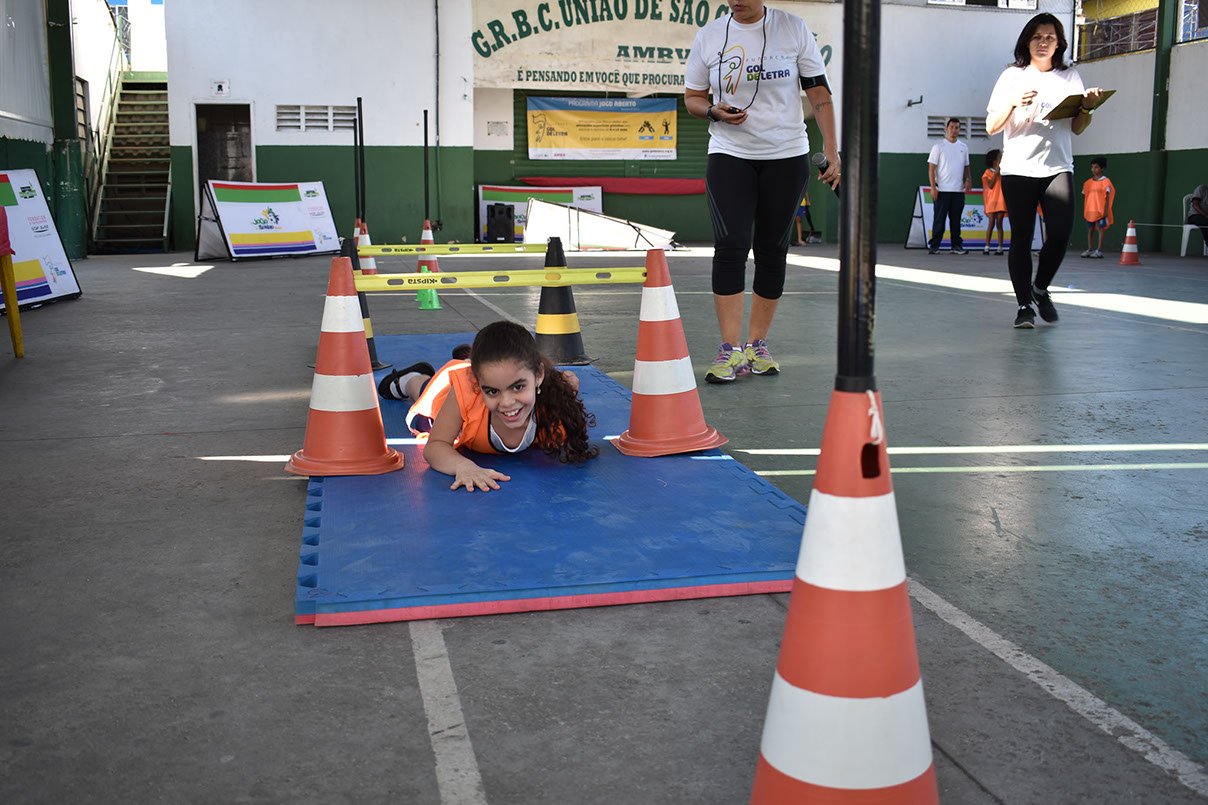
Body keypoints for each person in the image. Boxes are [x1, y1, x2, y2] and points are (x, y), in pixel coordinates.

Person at [684, 0, 840, 383]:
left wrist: (832, 150)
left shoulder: (793, 28)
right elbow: (692, 98)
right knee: (731, 244)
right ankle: (729, 349)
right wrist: (712, 111)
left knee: (772, 248)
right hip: (729, 152)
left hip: (786, 154)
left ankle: (757, 345)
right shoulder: (709, 36)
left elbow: (819, 94)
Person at [376, 322, 598, 492]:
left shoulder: (556, 399)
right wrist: (463, 466)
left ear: (539, 375)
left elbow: (566, 386)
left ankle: (469, 359)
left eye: (518, 387)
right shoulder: (466, 391)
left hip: (485, 374)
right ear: (479, 384)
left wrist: (569, 385)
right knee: (423, 414)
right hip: (450, 392)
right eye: (492, 391)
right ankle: (412, 378)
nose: (507, 402)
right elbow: (435, 446)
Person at [986, 13, 1104, 329]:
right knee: (1022, 238)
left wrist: (1088, 108)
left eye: (1050, 37)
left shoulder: (1070, 76)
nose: (1043, 42)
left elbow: (1078, 127)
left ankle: (1039, 288)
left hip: (1057, 167)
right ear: (1027, 41)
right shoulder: (1011, 76)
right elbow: (991, 126)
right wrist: (1012, 102)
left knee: (1061, 233)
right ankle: (1024, 305)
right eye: (1037, 36)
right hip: (1018, 168)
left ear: (1059, 43)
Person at [927, 118, 972, 255]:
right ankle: (934, 246)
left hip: (958, 191)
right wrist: (933, 187)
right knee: (939, 220)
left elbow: (966, 166)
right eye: (951, 127)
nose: (954, 130)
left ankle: (956, 246)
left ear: (959, 130)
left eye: (957, 127)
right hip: (942, 190)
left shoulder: (963, 147)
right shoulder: (938, 147)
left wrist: (968, 179)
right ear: (946, 129)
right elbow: (931, 168)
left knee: (956, 220)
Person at [1080, 156, 1115, 258]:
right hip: (1090, 211)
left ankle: (1099, 250)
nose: (1093, 169)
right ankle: (1090, 249)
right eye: (1092, 167)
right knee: (1090, 229)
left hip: (1101, 211)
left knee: (1100, 229)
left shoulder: (1106, 182)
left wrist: (1106, 211)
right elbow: (1085, 196)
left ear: (1102, 168)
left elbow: (1107, 198)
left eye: (1096, 167)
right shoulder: (1087, 183)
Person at [981, 148, 1006, 255]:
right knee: (991, 223)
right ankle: (987, 246)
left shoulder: (1004, 172)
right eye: (1000, 158)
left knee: (999, 223)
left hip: (1001, 200)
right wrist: (996, 173)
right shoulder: (988, 172)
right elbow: (990, 185)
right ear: (995, 161)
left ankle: (1000, 247)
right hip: (991, 201)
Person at [1188, 183, 1208, 252]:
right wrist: (1206, 215)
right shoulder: (1201, 189)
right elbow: (1195, 205)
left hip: (1205, 217)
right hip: (1194, 216)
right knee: (1205, 222)